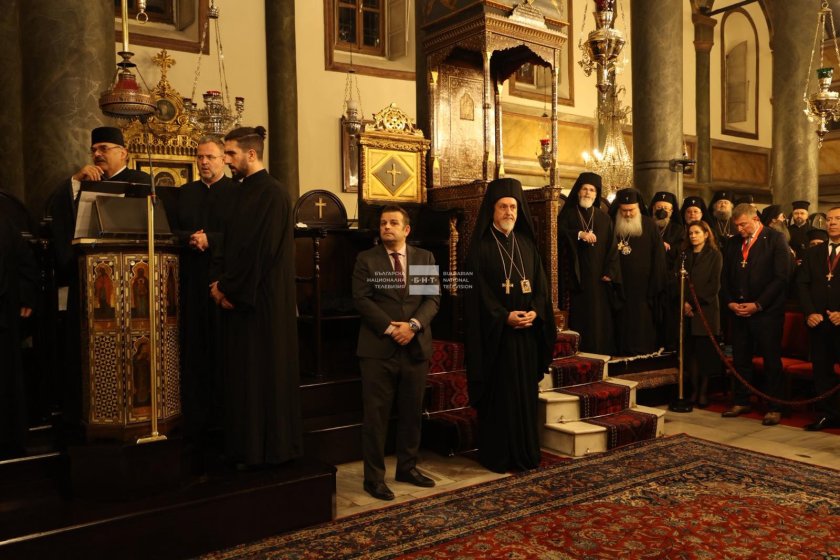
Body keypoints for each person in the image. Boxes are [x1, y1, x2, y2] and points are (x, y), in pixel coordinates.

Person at [44, 126, 151, 433]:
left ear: (123, 153)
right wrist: (75, 181)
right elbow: (56, 213)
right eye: (94, 149)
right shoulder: (83, 183)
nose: (97, 154)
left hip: (129, 287)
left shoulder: (140, 182)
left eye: (104, 148)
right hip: (90, 283)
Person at [209, 126, 302, 467]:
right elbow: (231, 243)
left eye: (231, 153)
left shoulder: (274, 194)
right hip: (239, 296)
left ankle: (268, 452)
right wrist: (220, 284)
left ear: (251, 154)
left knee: (263, 376)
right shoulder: (239, 192)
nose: (226, 160)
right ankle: (244, 448)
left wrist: (228, 288)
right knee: (242, 379)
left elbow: (260, 252)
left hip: (263, 301)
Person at [464, 178, 555, 473]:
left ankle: (526, 452)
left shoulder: (527, 245)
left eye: (513, 207)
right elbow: (476, 294)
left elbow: (541, 288)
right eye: (503, 206)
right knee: (501, 397)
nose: (509, 212)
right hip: (497, 340)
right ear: (492, 210)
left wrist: (535, 313)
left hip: (526, 337)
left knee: (525, 395)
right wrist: (503, 316)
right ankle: (499, 455)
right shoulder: (479, 249)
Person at [352, 205, 440, 501]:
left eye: (393, 223)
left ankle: (407, 468)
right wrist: (392, 329)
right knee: (376, 417)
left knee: (412, 413)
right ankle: (373, 479)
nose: (386, 227)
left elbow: (432, 299)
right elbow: (361, 300)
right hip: (378, 349)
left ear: (406, 229)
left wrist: (412, 326)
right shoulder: (366, 259)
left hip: (415, 347)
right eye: (383, 223)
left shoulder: (424, 258)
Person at [165, 136, 237, 453]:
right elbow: (169, 230)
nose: (204, 162)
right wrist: (191, 239)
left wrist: (212, 240)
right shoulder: (185, 193)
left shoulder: (236, 193)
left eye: (210, 157)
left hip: (223, 281)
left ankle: (224, 417)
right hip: (190, 280)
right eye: (199, 157)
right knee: (193, 348)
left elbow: (240, 235)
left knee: (223, 349)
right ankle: (195, 418)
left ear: (223, 160)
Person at [720, 203, 791, 426]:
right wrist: (730, 302)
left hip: (766, 312)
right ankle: (741, 400)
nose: (739, 229)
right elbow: (725, 276)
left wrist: (759, 304)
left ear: (756, 219)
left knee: (771, 359)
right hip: (739, 311)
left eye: (743, 224)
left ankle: (774, 406)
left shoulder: (775, 239)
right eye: (737, 225)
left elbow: (781, 277)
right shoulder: (733, 242)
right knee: (741, 358)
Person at [556, 172, 620, 355]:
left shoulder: (604, 218)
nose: (587, 193)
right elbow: (557, 234)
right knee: (580, 314)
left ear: (596, 194)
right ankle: (579, 350)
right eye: (584, 189)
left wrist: (610, 271)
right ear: (578, 191)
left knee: (598, 316)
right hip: (576, 277)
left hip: (599, 277)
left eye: (591, 190)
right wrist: (579, 234)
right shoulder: (567, 214)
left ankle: (600, 350)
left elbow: (612, 247)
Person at [796, 207, 840, 431]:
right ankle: (828, 414)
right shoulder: (814, 252)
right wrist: (810, 312)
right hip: (819, 322)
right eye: (829, 219)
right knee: (822, 371)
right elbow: (802, 284)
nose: (832, 223)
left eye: (837, 219)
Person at [609, 188, 667, 356]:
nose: (627, 214)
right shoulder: (612, 224)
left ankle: (643, 350)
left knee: (642, 320)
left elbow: (658, 257)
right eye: (624, 210)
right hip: (619, 284)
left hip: (644, 286)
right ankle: (621, 350)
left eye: (631, 210)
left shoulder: (649, 225)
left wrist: (656, 282)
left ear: (638, 207)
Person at [0, 221, 38, 458]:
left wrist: (26, 297)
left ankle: (7, 440)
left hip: (3, 319)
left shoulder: (6, 227)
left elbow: (26, 264)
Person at [681, 220, 722, 407]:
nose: (693, 236)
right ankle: (694, 391)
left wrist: (693, 304)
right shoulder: (685, 254)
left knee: (704, 354)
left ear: (706, 234)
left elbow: (714, 285)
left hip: (705, 310)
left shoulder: (715, 255)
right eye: (690, 233)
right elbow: (678, 279)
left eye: (697, 232)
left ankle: (704, 393)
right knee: (690, 354)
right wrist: (684, 302)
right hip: (685, 310)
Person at [651, 191, 685, 351]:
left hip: (669, 278)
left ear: (672, 211)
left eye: (666, 208)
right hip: (649, 277)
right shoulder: (647, 225)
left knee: (668, 315)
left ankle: (669, 346)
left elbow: (681, 251)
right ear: (653, 209)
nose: (662, 210)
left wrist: (667, 247)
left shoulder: (678, 230)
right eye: (659, 207)